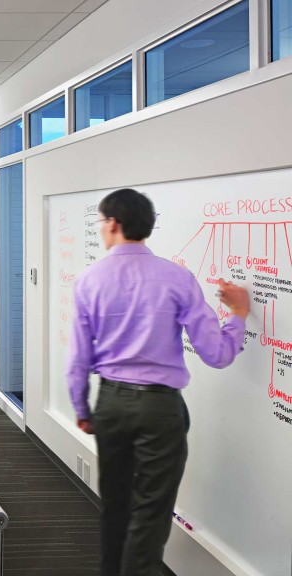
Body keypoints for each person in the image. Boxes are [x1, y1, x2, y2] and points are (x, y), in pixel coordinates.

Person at [66, 188, 249, 576]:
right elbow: (216, 354)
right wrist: (236, 316)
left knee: (115, 503)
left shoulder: (89, 280)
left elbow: (78, 358)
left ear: (114, 224)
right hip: (160, 409)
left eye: (100, 222)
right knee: (150, 510)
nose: (100, 229)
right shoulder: (177, 277)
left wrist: (82, 409)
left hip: (111, 403)